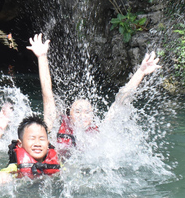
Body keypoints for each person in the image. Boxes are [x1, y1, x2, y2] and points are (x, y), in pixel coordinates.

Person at [26, 33, 161, 152]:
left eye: (87, 112)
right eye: (77, 112)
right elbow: (48, 95)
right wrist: (42, 57)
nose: (82, 116)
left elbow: (120, 101)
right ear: (69, 114)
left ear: (93, 117)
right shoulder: (54, 127)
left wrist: (141, 72)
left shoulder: (100, 134)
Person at [0, 115, 61, 184]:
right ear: (20, 144)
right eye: (31, 139)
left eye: (42, 139)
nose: (37, 144)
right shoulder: (15, 168)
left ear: (48, 144)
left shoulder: (57, 165)